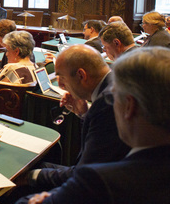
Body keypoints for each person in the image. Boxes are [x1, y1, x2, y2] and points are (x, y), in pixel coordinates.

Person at [16, 47, 170, 204]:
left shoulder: (98, 182)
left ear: (129, 107)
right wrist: (84, 114)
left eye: (115, 98)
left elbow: (85, 175)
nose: (112, 102)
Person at [20, 44, 130, 192]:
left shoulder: (107, 104)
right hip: (109, 176)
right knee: (43, 166)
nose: (60, 85)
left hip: (111, 189)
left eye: (62, 77)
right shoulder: (116, 82)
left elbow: (86, 175)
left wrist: (31, 176)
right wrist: (83, 113)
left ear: (81, 75)